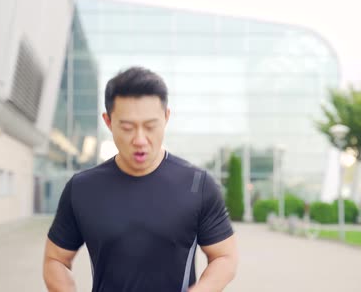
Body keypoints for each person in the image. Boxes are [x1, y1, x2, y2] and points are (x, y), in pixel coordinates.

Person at [43, 66, 238, 292]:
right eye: (127, 127)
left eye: (150, 126)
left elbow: (225, 257)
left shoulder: (198, 185)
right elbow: (55, 259)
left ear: (166, 118)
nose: (140, 139)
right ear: (108, 122)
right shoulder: (83, 188)